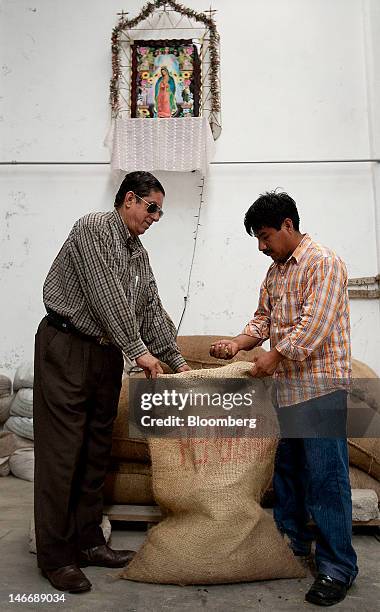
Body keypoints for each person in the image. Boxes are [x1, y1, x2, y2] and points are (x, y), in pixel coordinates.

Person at [34, 171, 190, 593]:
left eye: (161, 210)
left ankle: (88, 543)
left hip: (104, 354)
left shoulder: (137, 254)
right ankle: (55, 557)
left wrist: (177, 362)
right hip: (67, 345)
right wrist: (138, 351)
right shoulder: (93, 228)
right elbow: (108, 298)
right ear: (129, 200)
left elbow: (151, 309)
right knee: (63, 454)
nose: (156, 217)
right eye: (152, 207)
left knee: (95, 453)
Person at [210, 191, 358, 607]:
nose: (261, 246)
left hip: (322, 388)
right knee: (289, 473)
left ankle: (337, 568)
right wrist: (238, 343)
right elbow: (263, 318)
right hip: (289, 392)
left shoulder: (323, 263)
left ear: (288, 226)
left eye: (265, 236)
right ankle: (293, 545)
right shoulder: (276, 272)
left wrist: (273, 356)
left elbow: (314, 327)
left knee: (327, 480)